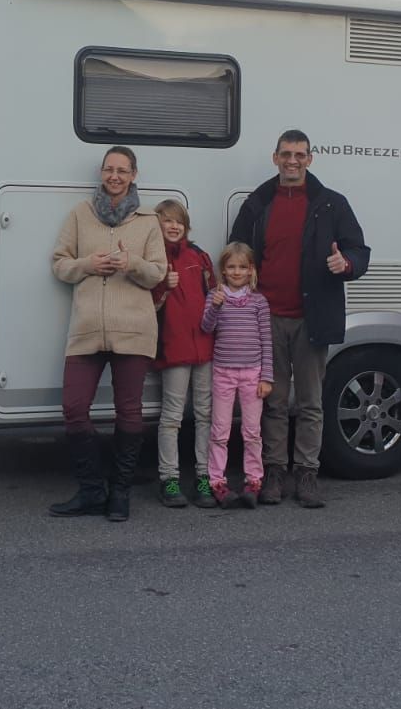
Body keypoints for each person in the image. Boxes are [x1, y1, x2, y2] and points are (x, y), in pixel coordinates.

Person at [229, 129, 370, 507]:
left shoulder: (331, 204)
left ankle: (307, 473)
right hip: (266, 316)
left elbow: (360, 249)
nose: (293, 161)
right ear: (275, 157)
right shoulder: (257, 203)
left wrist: (348, 263)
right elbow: (237, 250)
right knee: (273, 401)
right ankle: (274, 471)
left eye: (300, 155)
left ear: (310, 159)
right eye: (286, 154)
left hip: (313, 316)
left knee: (310, 402)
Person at [49, 146, 167, 522]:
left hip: (134, 329)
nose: (114, 176)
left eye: (122, 170)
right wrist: (88, 263)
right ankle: (91, 491)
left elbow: (158, 273)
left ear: (134, 175)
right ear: (101, 174)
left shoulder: (148, 221)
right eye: (109, 169)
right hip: (86, 329)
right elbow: (59, 264)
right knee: (73, 408)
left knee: (129, 413)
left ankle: (120, 492)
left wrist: (130, 263)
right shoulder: (80, 215)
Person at [150, 199, 217, 509]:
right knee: (172, 417)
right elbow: (147, 306)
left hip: (205, 348)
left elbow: (214, 295)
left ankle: (204, 476)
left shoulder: (199, 257)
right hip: (173, 349)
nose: (174, 226)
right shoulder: (153, 259)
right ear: (157, 225)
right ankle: (169, 478)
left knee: (205, 415)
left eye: (179, 221)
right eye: (167, 221)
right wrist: (163, 285)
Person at [200, 242, 273, 508]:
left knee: (252, 431)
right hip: (223, 372)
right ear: (224, 270)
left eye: (242, 267)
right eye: (231, 267)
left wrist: (267, 376)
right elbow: (206, 328)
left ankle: (254, 479)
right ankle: (216, 480)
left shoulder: (258, 302)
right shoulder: (214, 296)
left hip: (253, 373)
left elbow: (266, 340)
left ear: (251, 270)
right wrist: (215, 307)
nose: (237, 272)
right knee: (220, 431)